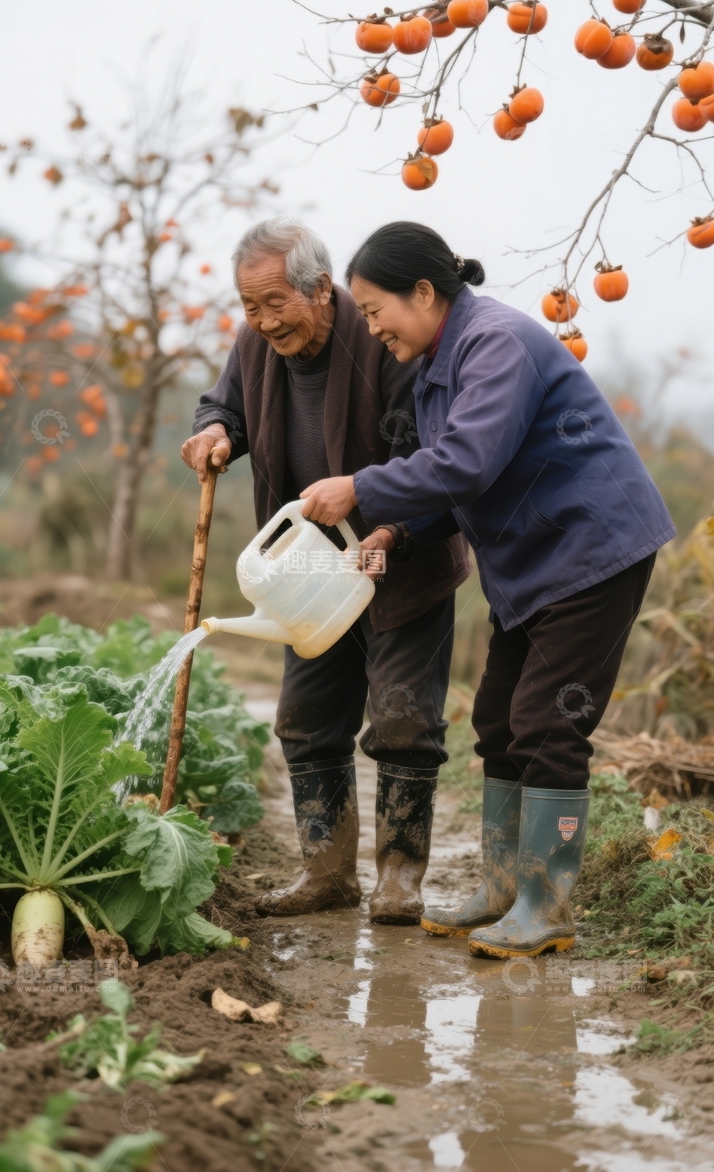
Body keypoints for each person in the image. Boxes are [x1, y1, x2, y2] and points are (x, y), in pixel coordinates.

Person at [299, 221, 676, 959]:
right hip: (535, 566)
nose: (371, 329)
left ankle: (548, 904)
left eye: (376, 312)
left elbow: (469, 461)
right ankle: (504, 891)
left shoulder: (494, 341)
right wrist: (397, 531)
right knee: (501, 721)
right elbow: (460, 473)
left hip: (591, 549)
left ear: (424, 292)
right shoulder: (445, 360)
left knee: (547, 723)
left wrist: (360, 489)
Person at [181, 218, 470, 924]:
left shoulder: (382, 337)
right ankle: (327, 873)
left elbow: (432, 458)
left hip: (400, 558)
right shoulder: (254, 344)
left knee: (404, 720)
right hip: (307, 572)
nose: (263, 320)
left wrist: (389, 528)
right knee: (306, 720)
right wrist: (217, 430)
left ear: (320, 288)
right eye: (250, 306)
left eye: (277, 302)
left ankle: (399, 878)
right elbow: (226, 406)